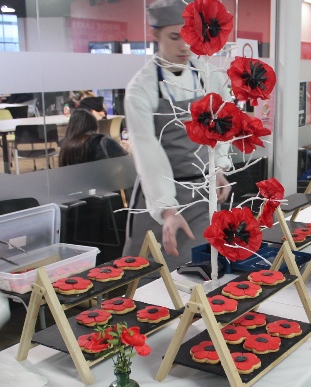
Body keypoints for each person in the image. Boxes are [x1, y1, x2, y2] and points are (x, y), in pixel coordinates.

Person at [123, 0, 231, 269]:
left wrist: (217, 168)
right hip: (157, 196)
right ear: (155, 35)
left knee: (201, 270)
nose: (184, 46)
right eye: (174, 37)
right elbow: (147, 150)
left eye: (190, 36)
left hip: (202, 194)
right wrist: (167, 209)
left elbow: (222, 123)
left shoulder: (208, 76)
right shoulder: (141, 87)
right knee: (149, 274)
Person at [58, 108, 127, 167]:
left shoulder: (64, 147)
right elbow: (126, 161)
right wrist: (128, 149)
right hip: (103, 178)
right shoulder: (102, 141)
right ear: (94, 125)